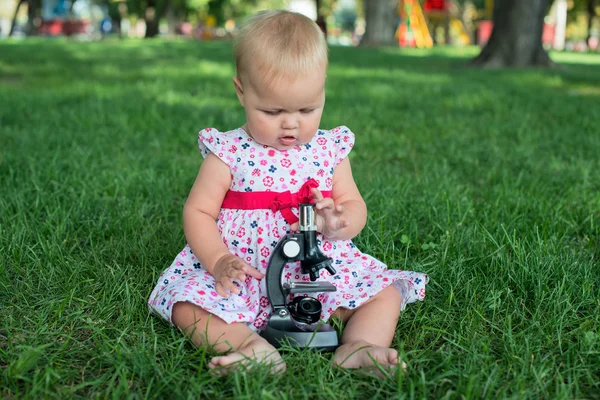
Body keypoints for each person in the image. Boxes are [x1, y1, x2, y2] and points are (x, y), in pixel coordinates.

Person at [148, 10, 428, 375]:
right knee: (186, 304)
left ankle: (360, 346)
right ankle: (250, 347)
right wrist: (217, 260)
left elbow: (354, 207)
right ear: (241, 91)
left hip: (316, 274)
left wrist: (339, 222)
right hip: (243, 274)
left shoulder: (329, 150)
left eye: (307, 108)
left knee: (384, 293)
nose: (291, 123)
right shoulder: (229, 152)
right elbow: (198, 211)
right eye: (273, 110)